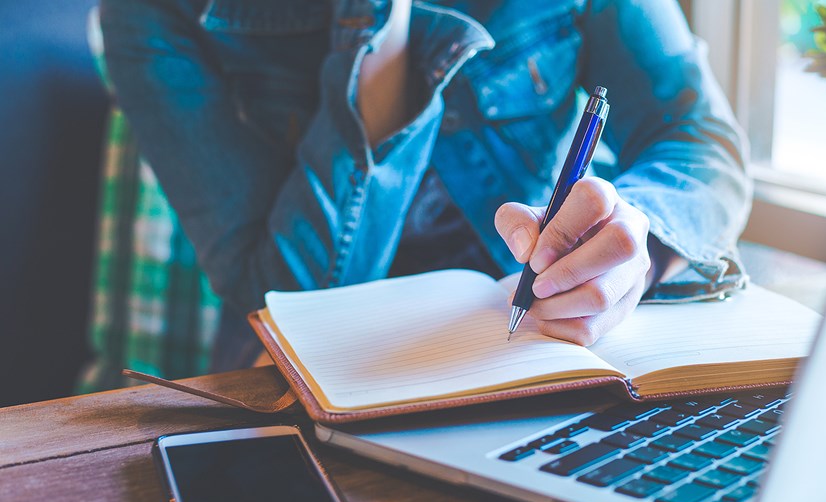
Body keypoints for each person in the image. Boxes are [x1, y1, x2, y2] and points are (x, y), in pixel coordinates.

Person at [99, 0, 750, 372]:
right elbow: (287, 305)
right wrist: (378, 29)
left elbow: (699, 139)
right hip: (298, 388)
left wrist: (637, 240)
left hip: (526, 350)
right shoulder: (154, 14)